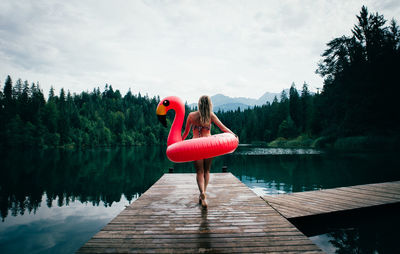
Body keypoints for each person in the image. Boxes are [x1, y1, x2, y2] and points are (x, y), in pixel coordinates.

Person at [182, 95, 236, 208]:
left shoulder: (191, 116)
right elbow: (223, 128)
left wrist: (179, 142)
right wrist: (233, 134)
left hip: (195, 145)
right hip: (208, 145)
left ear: (199, 104)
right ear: (209, 104)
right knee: (207, 171)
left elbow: (186, 133)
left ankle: (201, 192)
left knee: (199, 172)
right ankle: (204, 193)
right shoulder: (210, 116)